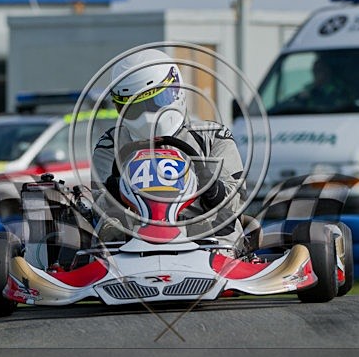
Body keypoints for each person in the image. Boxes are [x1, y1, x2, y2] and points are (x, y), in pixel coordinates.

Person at [90, 48, 246, 250]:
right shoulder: (110, 144)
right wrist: (113, 193)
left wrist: (213, 189)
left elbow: (237, 202)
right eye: (135, 107)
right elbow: (99, 209)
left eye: (155, 101)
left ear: (176, 91)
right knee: (108, 229)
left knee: (208, 225)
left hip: (206, 241)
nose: (146, 116)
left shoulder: (212, 136)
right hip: (133, 241)